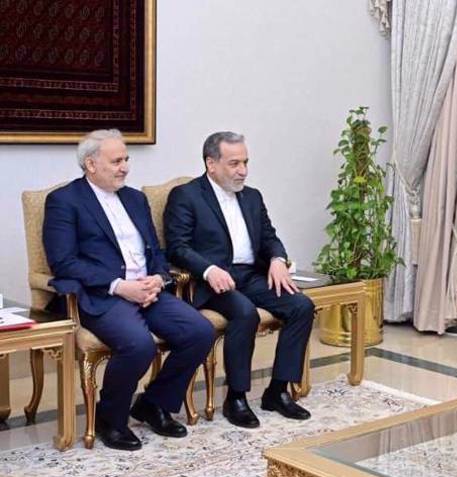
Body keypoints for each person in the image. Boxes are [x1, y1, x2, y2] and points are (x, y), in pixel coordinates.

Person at [43, 129, 215, 451]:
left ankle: (153, 404)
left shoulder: (135, 199)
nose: (125, 167)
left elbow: (155, 252)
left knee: (200, 331)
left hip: (148, 291)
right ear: (91, 164)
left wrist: (158, 278)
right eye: (116, 161)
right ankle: (110, 419)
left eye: (126, 159)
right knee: (138, 345)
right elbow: (64, 262)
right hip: (102, 295)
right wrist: (120, 286)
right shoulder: (64, 201)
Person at [164, 131, 315, 429]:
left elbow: (269, 237)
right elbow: (177, 247)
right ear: (211, 164)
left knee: (301, 306)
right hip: (211, 281)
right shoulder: (186, 196)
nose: (243, 170)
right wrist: (208, 270)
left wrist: (277, 260)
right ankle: (236, 398)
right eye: (234, 163)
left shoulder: (252, 196)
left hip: (250, 275)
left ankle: (277, 391)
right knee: (245, 313)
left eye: (245, 162)